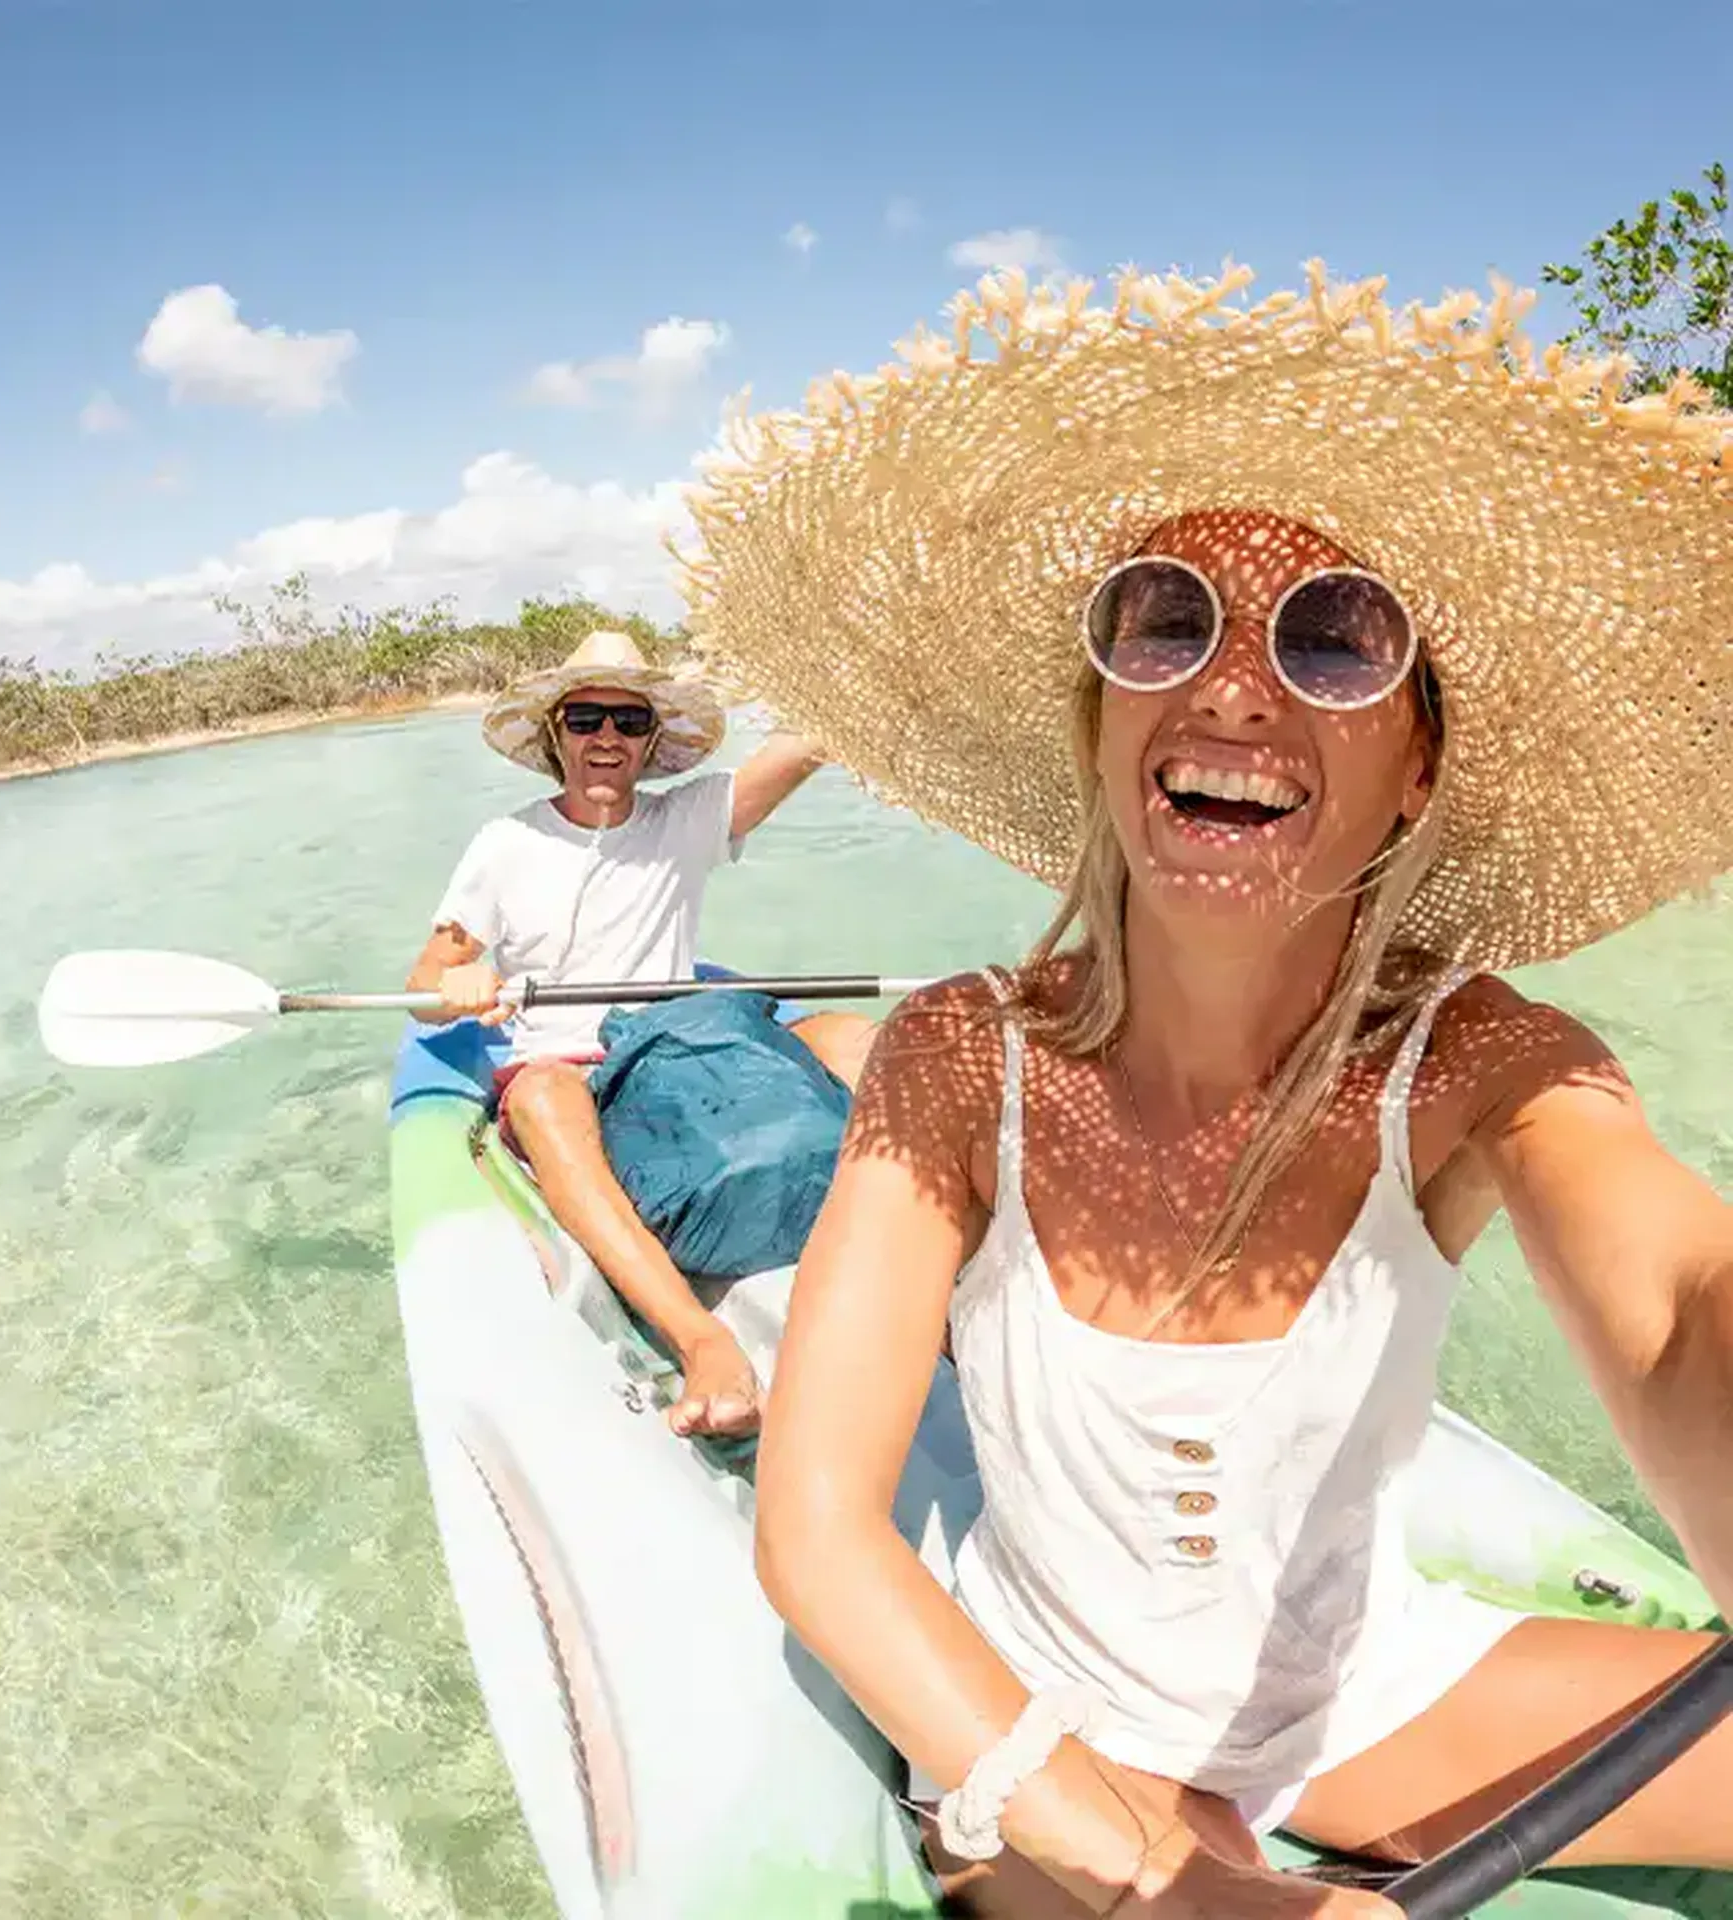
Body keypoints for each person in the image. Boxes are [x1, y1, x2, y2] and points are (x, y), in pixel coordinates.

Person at [677, 260, 1733, 1914]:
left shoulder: (1473, 1058)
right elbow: (817, 1534)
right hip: (1054, 1720)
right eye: (1168, 617)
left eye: (1338, 639)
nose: (1236, 683)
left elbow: (1678, 1303)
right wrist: (1159, 1868)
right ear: (1103, 715)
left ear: (1418, 768)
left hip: (1373, 1692)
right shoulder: (961, 1056)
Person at [406, 628, 873, 1440]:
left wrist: (865, 659)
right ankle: (702, 1341)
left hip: (677, 1040)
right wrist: (459, 988)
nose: (607, 739)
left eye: (627, 722)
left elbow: (806, 747)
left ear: (653, 741)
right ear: (556, 735)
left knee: (856, 1037)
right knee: (545, 1095)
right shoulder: (505, 843)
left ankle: (958, 1249)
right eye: (585, 719)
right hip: (570, 1066)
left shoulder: (689, 817)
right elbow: (423, 986)